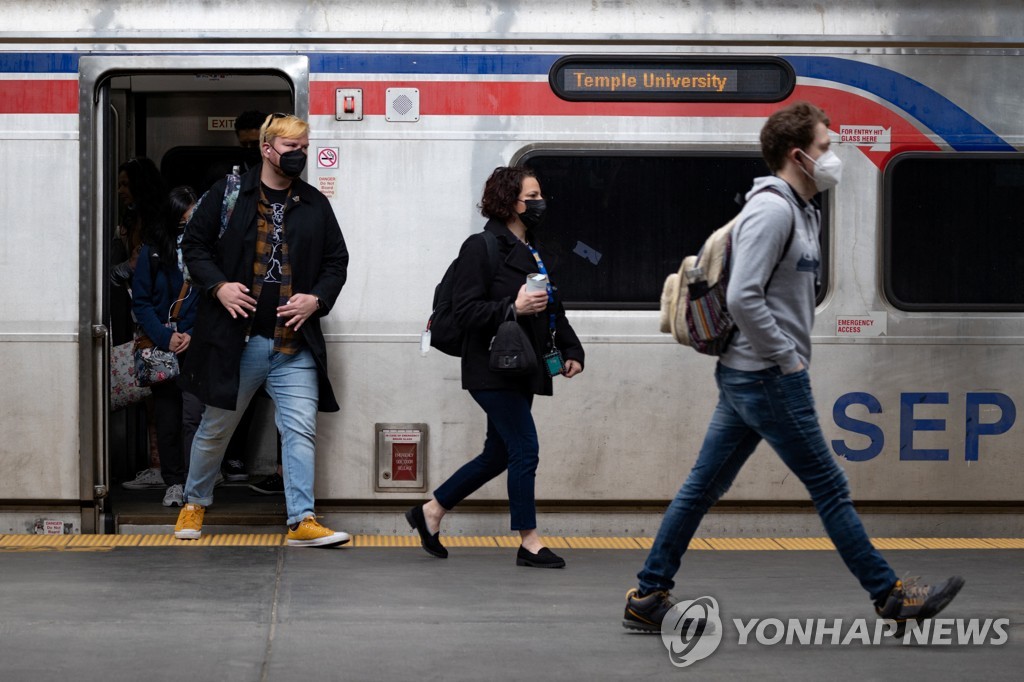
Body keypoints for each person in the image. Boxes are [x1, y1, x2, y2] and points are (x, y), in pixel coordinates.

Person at [622, 101, 964, 633]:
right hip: (767, 378)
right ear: (797, 155)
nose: (834, 158)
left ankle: (648, 595)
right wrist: (786, 358)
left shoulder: (803, 210)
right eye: (826, 148)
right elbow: (743, 296)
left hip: (748, 377)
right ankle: (891, 597)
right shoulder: (773, 210)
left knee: (701, 487)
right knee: (829, 487)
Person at [173, 113, 350, 547]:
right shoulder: (229, 194)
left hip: (294, 343)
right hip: (241, 339)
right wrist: (218, 286)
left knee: (300, 428)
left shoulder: (314, 203)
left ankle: (302, 519)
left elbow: (336, 262)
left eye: (305, 147)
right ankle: (195, 502)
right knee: (217, 427)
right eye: (292, 148)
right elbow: (192, 246)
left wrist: (318, 300)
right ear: (267, 148)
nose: (300, 155)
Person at [406, 166, 585, 568]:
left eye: (540, 195)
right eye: (532, 196)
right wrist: (513, 307)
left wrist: (573, 349)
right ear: (509, 202)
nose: (540, 202)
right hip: (490, 366)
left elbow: (553, 308)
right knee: (525, 448)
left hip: (522, 366)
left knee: (498, 453)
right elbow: (466, 311)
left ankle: (431, 511)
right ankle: (529, 541)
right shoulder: (481, 246)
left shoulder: (534, 248)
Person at [131, 186, 204, 507]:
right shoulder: (152, 252)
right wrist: (165, 337)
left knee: (195, 417)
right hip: (163, 347)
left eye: (194, 218)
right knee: (168, 417)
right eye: (184, 219)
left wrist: (191, 332)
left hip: (196, 345)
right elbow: (142, 303)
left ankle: (196, 482)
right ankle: (173, 482)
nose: (189, 226)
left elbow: (212, 297)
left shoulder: (205, 251)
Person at [113, 157, 170, 491]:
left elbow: (134, 266)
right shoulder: (138, 218)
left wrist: (114, 274)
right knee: (154, 393)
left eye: (124, 184)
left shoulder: (149, 222)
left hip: (150, 319)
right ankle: (160, 464)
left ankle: (162, 466)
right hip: (143, 316)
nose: (121, 191)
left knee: (157, 395)